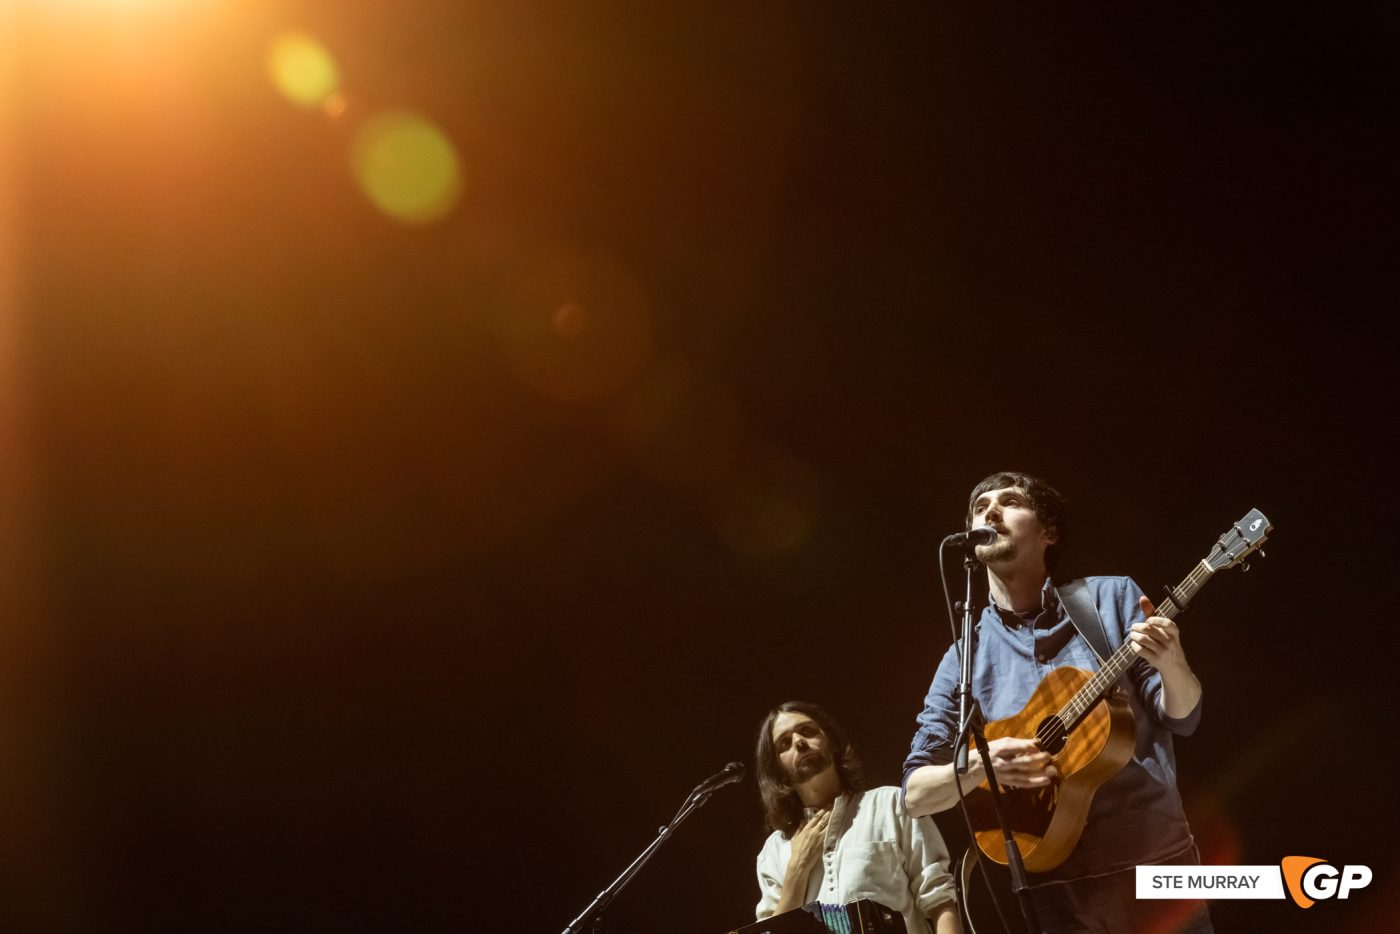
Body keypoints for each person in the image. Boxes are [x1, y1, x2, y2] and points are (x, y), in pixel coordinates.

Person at [902, 471, 1212, 932]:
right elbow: (914, 794)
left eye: (1009, 501)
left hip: (1154, 864)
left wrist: (1172, 663)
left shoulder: (1110, 598)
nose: (990, 510)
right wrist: (980, 768)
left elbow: (1183, 719)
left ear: (1048, 533)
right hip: (1053, 891)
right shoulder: (962, 657)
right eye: (980, 505)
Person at [755, 701, 961, 934]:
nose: (799, 742)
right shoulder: (773, 851)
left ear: (831, 742)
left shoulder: (890, 805)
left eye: (807, 731)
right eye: (785, 743)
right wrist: (796, 871)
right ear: (777, 769)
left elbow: (940, 902)